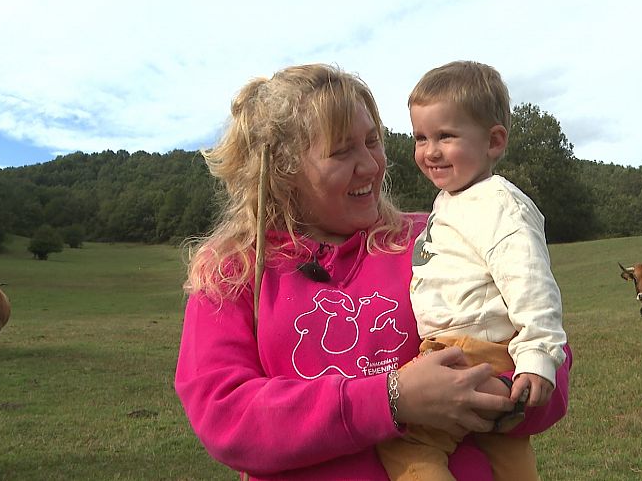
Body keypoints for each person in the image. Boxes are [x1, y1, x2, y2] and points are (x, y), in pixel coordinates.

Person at [174, 63, 573, 480]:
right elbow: (225, 415)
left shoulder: (430, 239)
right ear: (283, 171)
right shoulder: (233, 271)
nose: (370, 165)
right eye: (341, 151)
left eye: (372, 142)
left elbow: (547, 351)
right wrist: (392, 400)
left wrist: (501, 395)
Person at [377, 60, 568, 481]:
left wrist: (538, 353)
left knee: (406, 441)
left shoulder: (498, 203)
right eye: (421, 137)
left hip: (467, 353)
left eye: (446, 136)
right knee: (507, 450)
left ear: (494, 141)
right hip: (480, 351)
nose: (430, 151)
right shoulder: (455, 199)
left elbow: (531, 281)